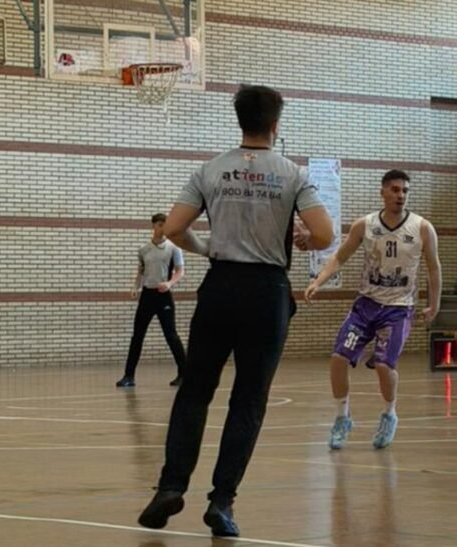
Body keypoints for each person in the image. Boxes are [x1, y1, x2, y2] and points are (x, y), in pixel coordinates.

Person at [136, 84, 334, 537]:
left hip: (220, 288)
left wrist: (208, 247)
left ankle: (170, 485)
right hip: (267, 294)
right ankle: (222, 502)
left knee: (195, 390)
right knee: (248, 399)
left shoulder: (210, 170)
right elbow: (324, 234)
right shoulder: (292, 174)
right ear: (276, 124)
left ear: (239, 120)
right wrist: (304, 239)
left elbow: (174, 229)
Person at [306, 169, 442, 450]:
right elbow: (340, 256)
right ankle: (342, 418)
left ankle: (389, 414)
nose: (400, 195)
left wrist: (434, 303)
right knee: (338, 358)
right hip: (366, 305)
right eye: (394, 190)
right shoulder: (364, 225)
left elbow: (433, 268)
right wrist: (318, 280)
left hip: (398, 308)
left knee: (383, 365)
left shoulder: (422, 228)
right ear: (382, 192)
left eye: (404, 190)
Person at [116, 213, 187, 388]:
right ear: (154, 226)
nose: (163, 228)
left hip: (163, 296)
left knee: (171, 335)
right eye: (160, 224)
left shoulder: (174, 248)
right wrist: (135, 287)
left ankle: (185, 374)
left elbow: (180, 270)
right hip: (147, 296)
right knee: (137, 336)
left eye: (166, 225)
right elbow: (141, 271)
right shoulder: (143, 250)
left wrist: (170, 283)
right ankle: (128, 376)